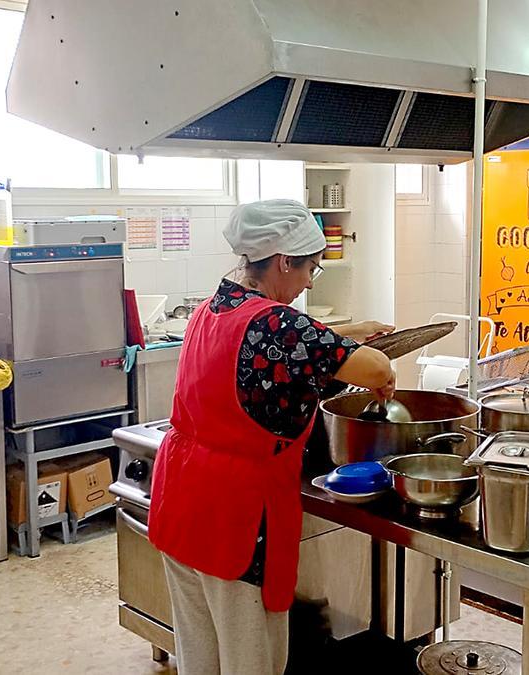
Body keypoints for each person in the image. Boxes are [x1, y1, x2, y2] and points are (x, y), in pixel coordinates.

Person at [149, 199, 395, 674]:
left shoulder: (213, 306)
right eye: (310, 268)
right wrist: (372, 360)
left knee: (200, 657)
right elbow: (377, 368)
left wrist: (349, 331)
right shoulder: (279, 326)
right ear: (283, 262)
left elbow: (278, 339)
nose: (310, 282)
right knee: (251, 661)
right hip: (235, 517)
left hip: (181, 501)